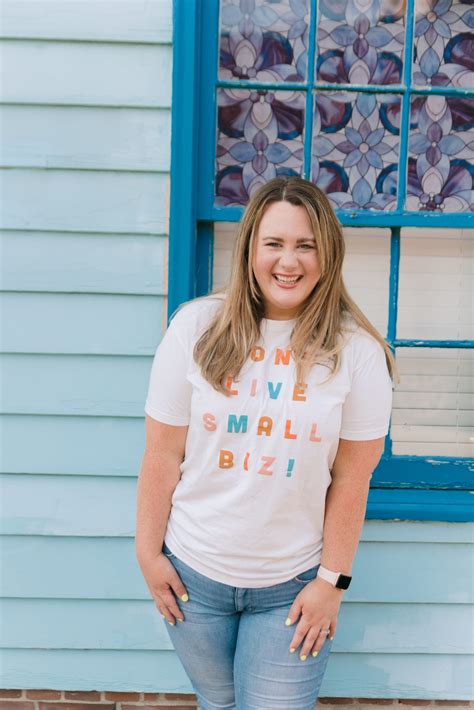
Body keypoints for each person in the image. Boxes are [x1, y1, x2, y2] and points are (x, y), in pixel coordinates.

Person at [135, 176, 396, 709]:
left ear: (328, 254)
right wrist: (147, 554)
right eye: (274, 243)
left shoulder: (358, 352)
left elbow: (352, 478)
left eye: (306, 246)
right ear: (250, 248)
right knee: (219, 704)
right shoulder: (195, 328)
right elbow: (162, 453)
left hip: (292, 587)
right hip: (192, 577)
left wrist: (331, 583)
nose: (289, 261)